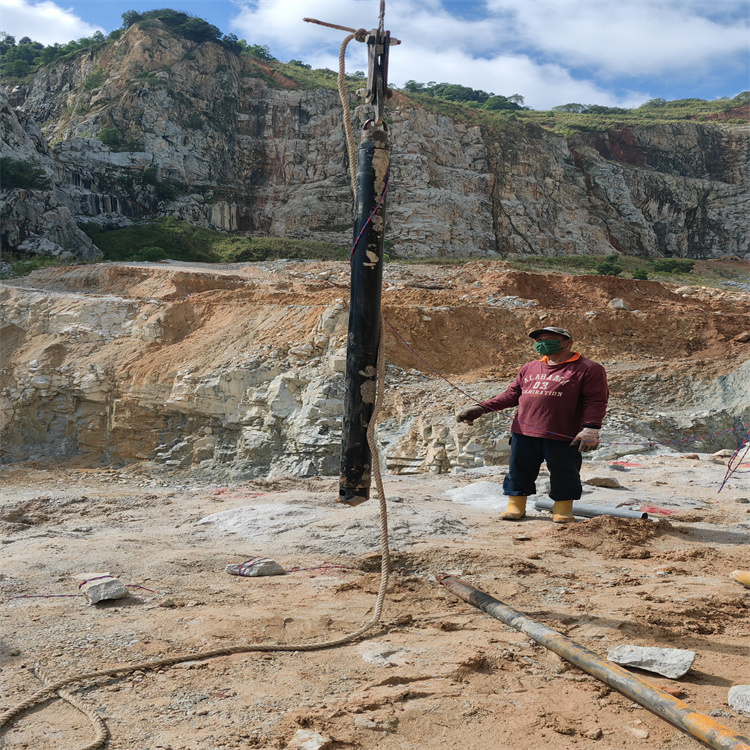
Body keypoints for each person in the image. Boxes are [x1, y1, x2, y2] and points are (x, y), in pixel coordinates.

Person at [457, 326, 609, 523]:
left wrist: (591, 428)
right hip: (524, 431)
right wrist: (481, 408)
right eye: (539, 340)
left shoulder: (588, 368)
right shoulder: (530, 367)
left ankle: (562, 508)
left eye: (550, 339)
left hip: (563, 433)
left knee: (565, 472)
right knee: (519, 470)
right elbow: (511, 395)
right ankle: (515, 506)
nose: (543, 343)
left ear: (568, 342)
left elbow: (596, 400)